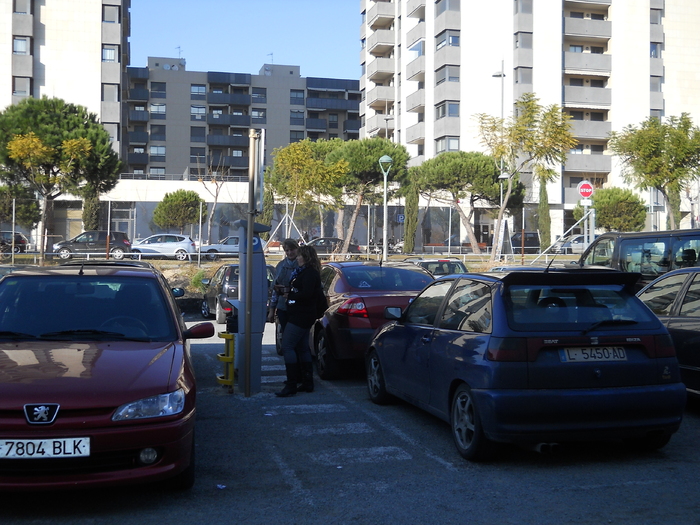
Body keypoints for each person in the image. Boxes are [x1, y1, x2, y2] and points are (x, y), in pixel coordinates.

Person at [275, 244, 323, 397]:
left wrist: (290, 295)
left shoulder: (309, 273)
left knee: (287, 346)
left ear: (306, 257)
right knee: (302, 347)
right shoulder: (305, 272)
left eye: (300, 255)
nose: (297, 258)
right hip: (302, 314)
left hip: (301, 315)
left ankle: (291, 384)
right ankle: (307, 382)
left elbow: (307, 294)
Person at [267, 239, 300, 344]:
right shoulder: (281, 265)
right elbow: (275, 290)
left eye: (292, 249)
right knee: (286, 338)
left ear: (297, 249)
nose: (290, 253)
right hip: (283, 307)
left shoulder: (303, 264)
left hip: (299, 307)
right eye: (287, 250)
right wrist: (272, 310)